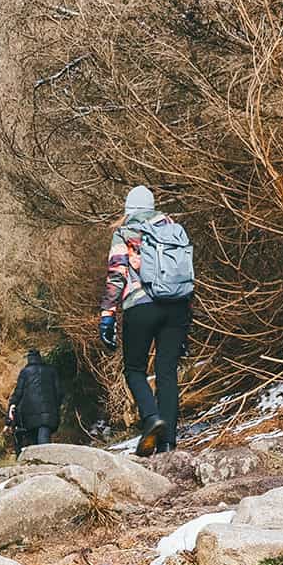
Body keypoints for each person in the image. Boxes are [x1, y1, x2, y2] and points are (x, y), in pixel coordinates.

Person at [98, 185, 193, 456]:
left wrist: (107, 314)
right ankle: (168, 444)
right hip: (177, 306)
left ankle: (152, 418)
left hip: (140, 305)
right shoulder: (173, 228)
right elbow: (185, 274)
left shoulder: (125, 231)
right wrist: (187, 321)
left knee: (135, 369)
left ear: (129, 208)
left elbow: (116, 274)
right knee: (167, 373)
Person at [8, 349, 62, 448]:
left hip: (29, 413)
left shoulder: (25, 372)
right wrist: (55, 407)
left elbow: (18, 392)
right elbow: (58, 392)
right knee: (44, 442)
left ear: (29, 359)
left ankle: (37, 461)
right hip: (48, 412)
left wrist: (12, 404)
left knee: (33, 443)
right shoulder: (51, 371)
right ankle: (46, 460)